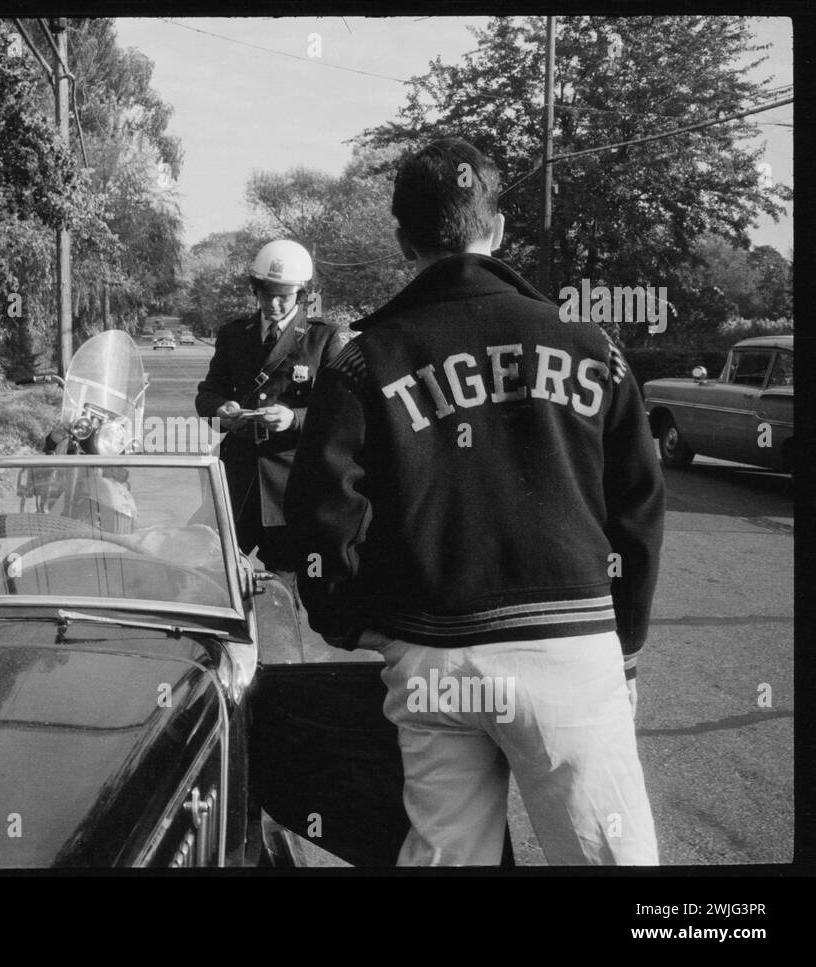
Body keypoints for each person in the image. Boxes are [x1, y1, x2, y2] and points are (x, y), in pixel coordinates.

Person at [285, 138, 664, 865]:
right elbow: (639, 507)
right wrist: (628, 639)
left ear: (402, 240)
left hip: (434, 660)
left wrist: (355, 623)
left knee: (444, 857)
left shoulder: (365, 360)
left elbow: (324, 513)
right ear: (498, 229)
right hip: (572, 652)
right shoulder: (591, 346)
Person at [195, 239, 351, 594]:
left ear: (302, 294)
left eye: (285, 294)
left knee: (282, 587)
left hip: (290, 484)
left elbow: (342, 413)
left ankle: (280, 649)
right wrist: (221, 410)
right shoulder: (234, 334)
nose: (275, 303)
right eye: (267, 293)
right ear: (255, 289)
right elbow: (207, 393)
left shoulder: (323, 339)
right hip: (235, 480)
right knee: (215, 577)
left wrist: (293, 418)